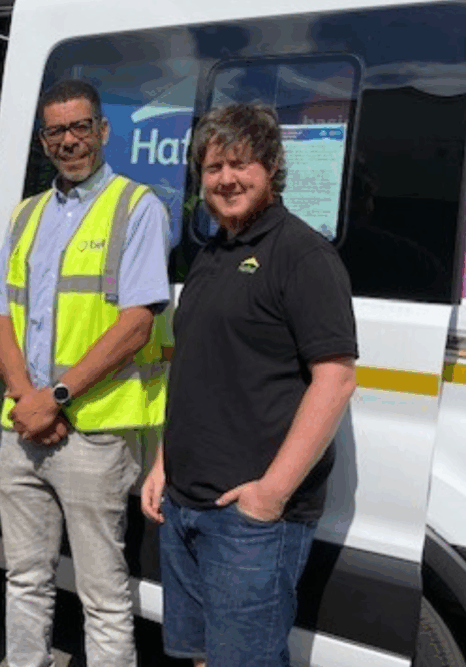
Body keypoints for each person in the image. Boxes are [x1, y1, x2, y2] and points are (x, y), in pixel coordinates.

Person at [140, 103, 358, 667]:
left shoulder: (303, 254)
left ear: (270, 168)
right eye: (213, 168)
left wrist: (270, 495)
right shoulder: (213, 252)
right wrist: (165, 463)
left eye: (241, 164)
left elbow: (334, 380)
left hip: (249, 521)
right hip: (185, 502)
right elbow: (197, 368)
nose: (226, 179)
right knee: (199, 655)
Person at [0, 79, 172, 667]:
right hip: (26, 430)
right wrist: (25, 399)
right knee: (25, 580)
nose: (70, 141)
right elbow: (1, 313)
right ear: (44, 141)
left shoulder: (138, 208)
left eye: (80, 127)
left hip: (95, 436)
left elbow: (136, 324)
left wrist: (56, 397)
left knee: (103, 598)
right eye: (57, 131)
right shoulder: (27, 214)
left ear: (103, 130)